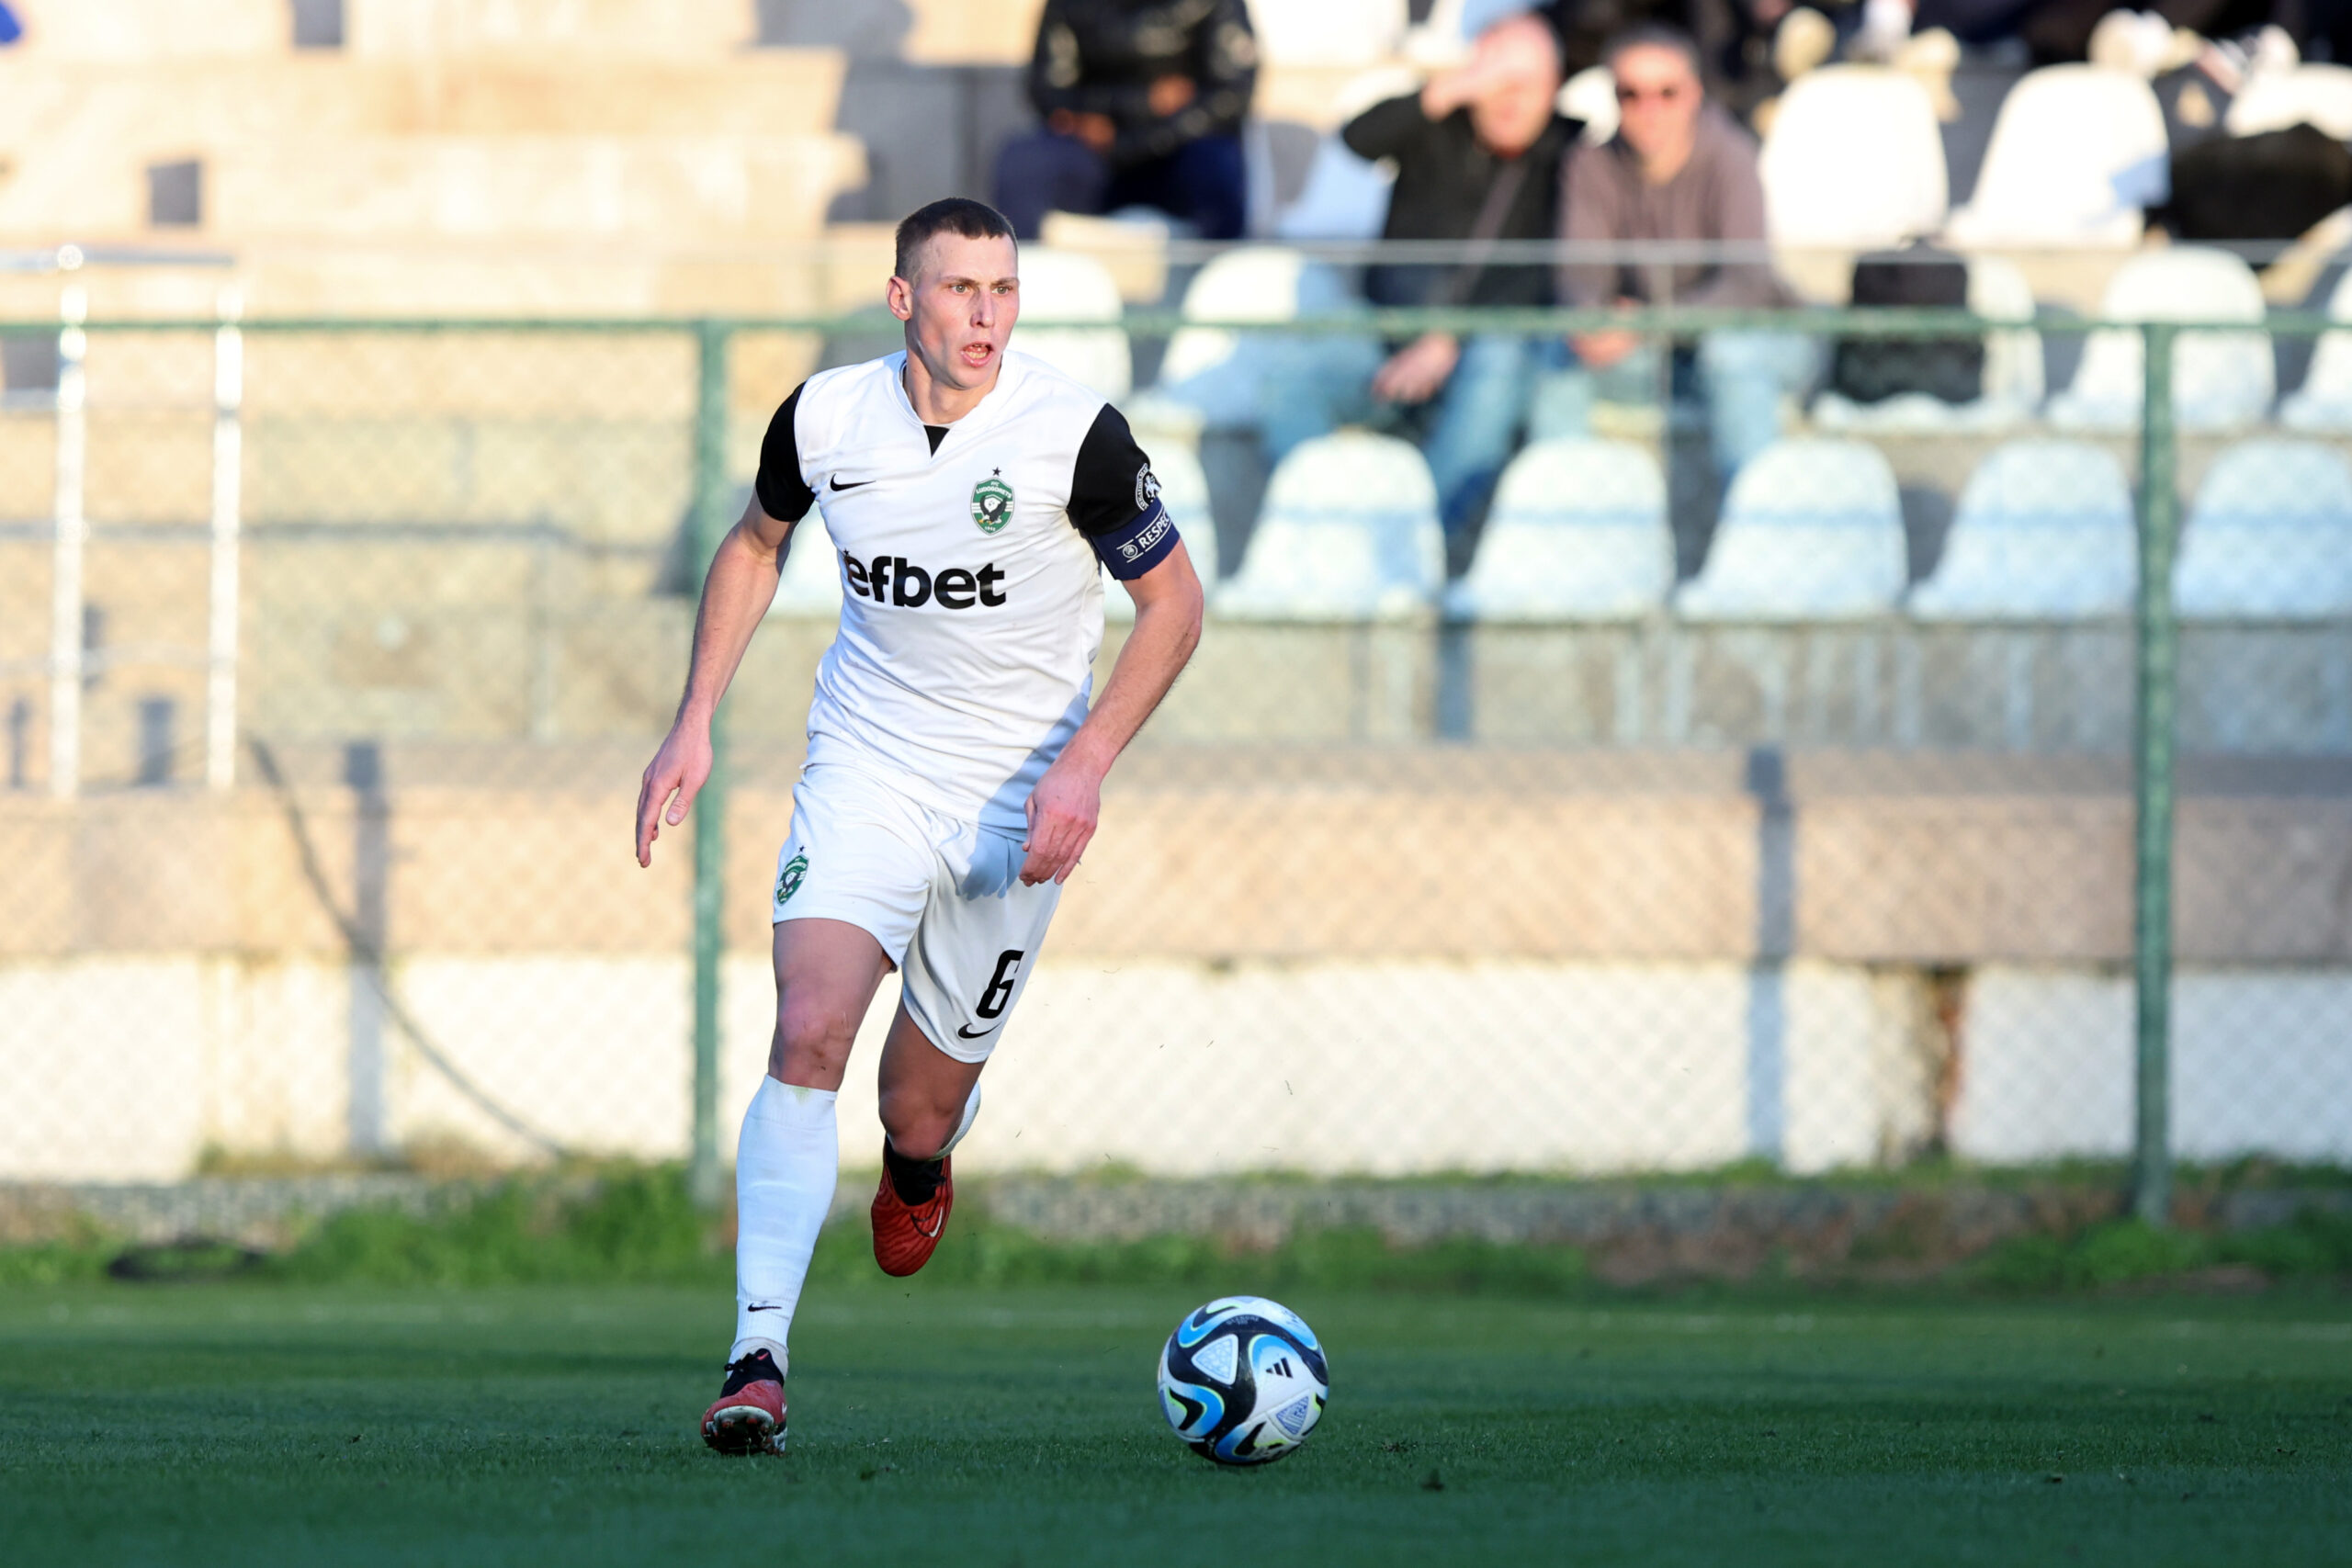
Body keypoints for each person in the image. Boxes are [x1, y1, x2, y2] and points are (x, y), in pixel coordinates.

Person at [634, 198, 1205, 1457]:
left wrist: (1087, 765)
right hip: (870, 766)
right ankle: (759, 1356)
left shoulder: (1073, 435)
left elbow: (1173, 606)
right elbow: (755, 542)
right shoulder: (828, 417)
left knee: (916, 1108)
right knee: (809, 1020)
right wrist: (694, 719)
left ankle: (919, 1160)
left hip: (1019, 800)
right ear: (906, 300)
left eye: (1002, 289)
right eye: (960, 290)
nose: (987, 314)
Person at [1260, 11, 1577, 541]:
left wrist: (1447, 335)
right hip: (1386, 337)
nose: (1509, 99)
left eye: (1526, 84)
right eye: (1497, 80)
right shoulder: (1436, 124)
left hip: (1480, 348)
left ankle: (1411, 543)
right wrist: (1449, 88)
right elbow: (1358, 138)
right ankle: (1314, 535)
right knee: (1289, 379)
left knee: (1499, 364)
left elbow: (1545, 277)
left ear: (1554, 89)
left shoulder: (1571, 153)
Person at [1547, 22, 1811, 482]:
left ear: (1694, 94)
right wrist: (1593, 321)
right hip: (1658, 353)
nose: (1649, 108)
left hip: (1763, 339)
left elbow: (1747, 287)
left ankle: (1753, 529)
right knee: (1555, 359)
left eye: (1667, 92)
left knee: (1730, 355)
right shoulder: (1590, 164)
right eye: (1631, 93)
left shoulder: (1732, 156)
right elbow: (1580, 274)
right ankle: (1559, 522)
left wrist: (1647, 321)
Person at [992, 0, 1258, 242]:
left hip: (1179, 151)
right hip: (1096, 157)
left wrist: (1142, 139)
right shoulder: (1067, 6)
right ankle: (1014, 280)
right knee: (1021, 161)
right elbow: (1048, 89)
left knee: (1218, 166)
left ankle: (1218, 281)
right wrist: (1144, 103)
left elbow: (1231, 93)